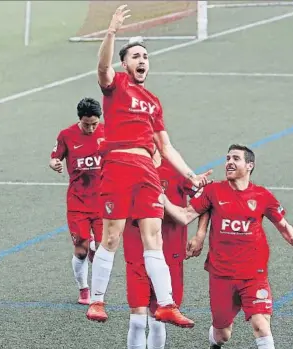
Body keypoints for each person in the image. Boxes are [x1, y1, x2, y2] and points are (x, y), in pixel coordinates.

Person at [86, 4, 212, 328]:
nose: (142, 61)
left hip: (146, 171)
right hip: (118, 165)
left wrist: (190, 174)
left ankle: (167, 304)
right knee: (111, 236)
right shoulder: (115, 86)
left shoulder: (153, 101)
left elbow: (166, 146)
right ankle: (97, 300)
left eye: (145, 57)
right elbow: (102, 67)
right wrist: (111, 32)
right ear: (125, 63)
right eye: (136, 57)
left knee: (152, 237)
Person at [162, 144, 293, 349]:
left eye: (235, 158)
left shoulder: (262, 195)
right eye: (227, 158)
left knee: (261, 326)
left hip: (254, 275)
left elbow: (283, 225)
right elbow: (184, 216)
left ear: (249, 166)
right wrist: (161, 199)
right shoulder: (213, 191)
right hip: (221, 275)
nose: (229, 162)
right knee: (223, 334)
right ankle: (215, 347)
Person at [123, 149, 210, 349]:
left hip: (170, 251)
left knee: (159, 316)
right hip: (137, 252)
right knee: (137, 318)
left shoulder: (175, 168)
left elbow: (206, 200)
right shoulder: (125, 168)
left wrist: (199, 234)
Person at [49, 97, 104, 305]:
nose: (90, 129)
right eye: (86, 124)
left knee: (101, 251)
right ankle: (83, 289)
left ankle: (99, 295)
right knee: (81, 250)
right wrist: (54, 163)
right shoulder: (66, 135)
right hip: (77, 202)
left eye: (94, 124)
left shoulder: (108, 133)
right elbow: (55, 157)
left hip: (103, 202)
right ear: (79, 119)